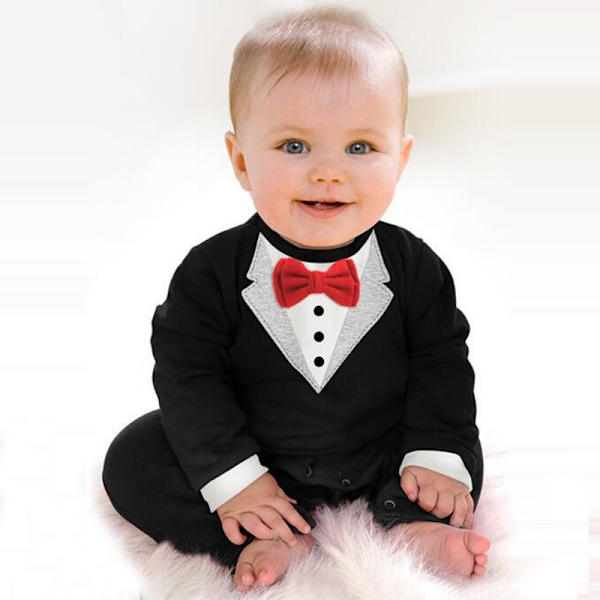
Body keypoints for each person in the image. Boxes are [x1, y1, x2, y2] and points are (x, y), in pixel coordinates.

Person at [102, 5, 491, 593]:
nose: (328, 173)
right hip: (259, 452)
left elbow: (442, 365)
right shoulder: (209, 273)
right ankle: (258, 534)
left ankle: (409, 522)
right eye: (293, 146)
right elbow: (189, 379)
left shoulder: (415, 267)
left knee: (451, 446)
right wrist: (236, 480)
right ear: (241, 161)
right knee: (133, 459)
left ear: (401, 160)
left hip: (380, 448)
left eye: (360, 147)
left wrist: (434, 455)